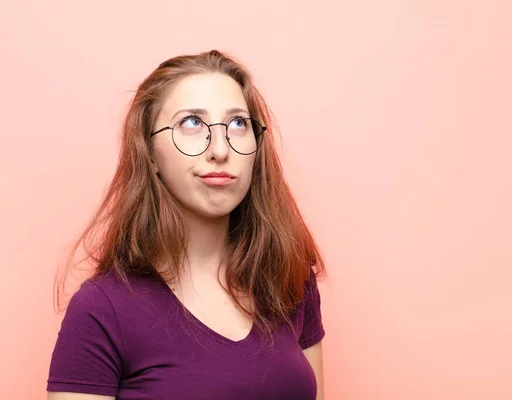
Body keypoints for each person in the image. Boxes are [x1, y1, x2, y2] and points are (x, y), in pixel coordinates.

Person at [47, 50, 327, 400]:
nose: (221, 149)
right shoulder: (103, 307)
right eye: (192, 123)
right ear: (149, 154)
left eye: (238, 123)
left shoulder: (290, 279)